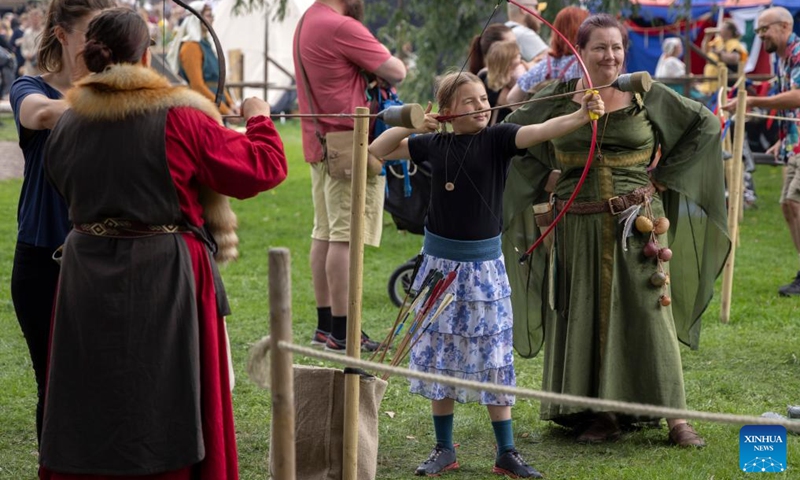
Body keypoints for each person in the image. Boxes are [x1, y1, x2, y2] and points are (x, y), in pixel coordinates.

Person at [38, 7, 287, 479]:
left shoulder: (69, 122)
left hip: (85, 274)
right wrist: (259, 119)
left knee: (92, 399)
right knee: (163, 398)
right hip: (164, 274)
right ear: (147, 55)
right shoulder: (180, 119)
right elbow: (263, 166)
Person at [503, 14, 730, 448]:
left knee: (651, 312)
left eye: (616, 47)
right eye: (599, 48)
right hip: (577, 224)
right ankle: (603, 413)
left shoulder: (644, 93)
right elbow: (509, 136)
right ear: (581, 52)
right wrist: (547, 176)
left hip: (637, 222)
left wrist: (664, 175)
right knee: (586, 312)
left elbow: (706, 125)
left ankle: (675, 418)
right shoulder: (555, 97)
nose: (610, 56)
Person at [369, 71, 604, 478]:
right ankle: (444, 448)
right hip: (438, 268)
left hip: (483, 270)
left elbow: (543, 129)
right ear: (446, 113)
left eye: (483, 98)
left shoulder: (498, 139)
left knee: (495, 357)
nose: (481, 106)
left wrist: (583, 116)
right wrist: (409, 122)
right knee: (441, 357)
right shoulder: (433, 143)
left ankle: (506, 452)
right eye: (469, 102)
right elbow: (377, 149)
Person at [9, 0, 115, 446]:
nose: (101, 45)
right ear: (62, 35)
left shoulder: (120, 93)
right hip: (44, 261)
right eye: (92, 32)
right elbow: (41, 114)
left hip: (108, 259)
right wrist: (125, 103)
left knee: (108, 386)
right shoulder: (30, 87)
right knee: (55, 387)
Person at [293, 0, 406, 352]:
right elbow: (397, 69)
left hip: (321, 143)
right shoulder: (340, 25)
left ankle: (327, 327)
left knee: (325, 233)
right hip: (346, 143)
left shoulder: (309, 19)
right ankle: (344, 333)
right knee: (344, 237)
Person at [725, 7, 800, 296]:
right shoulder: (780, 58)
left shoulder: (797, 54)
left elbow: (796, 97)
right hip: (793, 143)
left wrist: (753, 102)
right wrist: (784, 139)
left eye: (763, 29)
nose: (760, 36)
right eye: (758, 30)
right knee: (787, 205)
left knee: (793, 201)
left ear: (783, 26)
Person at [507, 6, 588, 104]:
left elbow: (512, 98)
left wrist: (530, 118)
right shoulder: (585, 65)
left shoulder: (543, 66)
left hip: (541, 118)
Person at [169, 0, 237, 115]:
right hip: (204, 109)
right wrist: (223, 110)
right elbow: (197, 86)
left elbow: (217, 83)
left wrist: (231, 104)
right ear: (197, 18)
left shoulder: (205, 45)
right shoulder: (191, 47)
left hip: (215, 106)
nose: (212, 19)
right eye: (208, 15)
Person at [698, 19, 748, 96]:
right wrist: (707, 37)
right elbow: (705, 52)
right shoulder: (718, 41)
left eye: (722, 28)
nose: (720, 29)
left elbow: (734, 58)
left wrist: (720, 53)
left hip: (727, 80)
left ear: (729, 31)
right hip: (712, 80)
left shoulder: (734, 43)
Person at [480, 40, 525, 125]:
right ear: (508, 63)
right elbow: (515, 102)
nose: (520, 58)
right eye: (517, 55)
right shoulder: (488, 82)